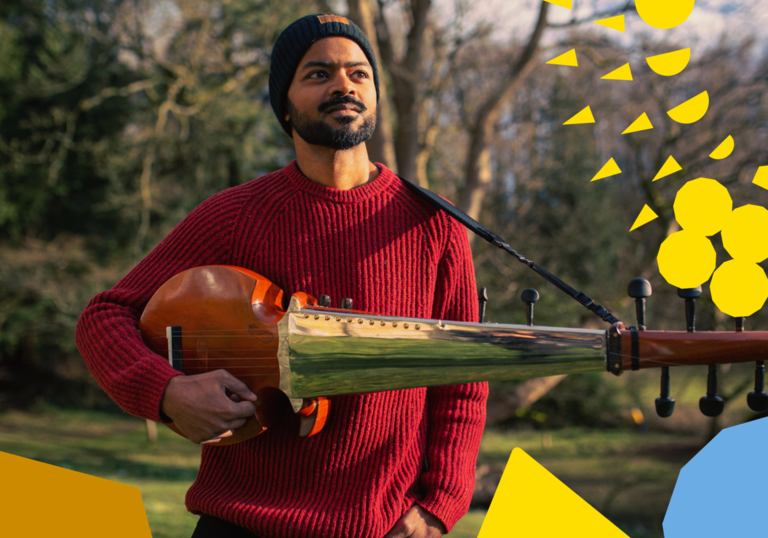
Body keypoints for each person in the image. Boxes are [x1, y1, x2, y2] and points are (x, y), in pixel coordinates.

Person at [76, 13, 488, 538]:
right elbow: (104, 316)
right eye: (319, 74)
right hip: (239, 524)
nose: (344, 84)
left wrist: (439, 505)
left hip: (383, 527)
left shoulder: (434, 223)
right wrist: (167, 393)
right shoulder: (235, 214)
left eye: (359, 73)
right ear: (286, 106)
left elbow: (464, 376)